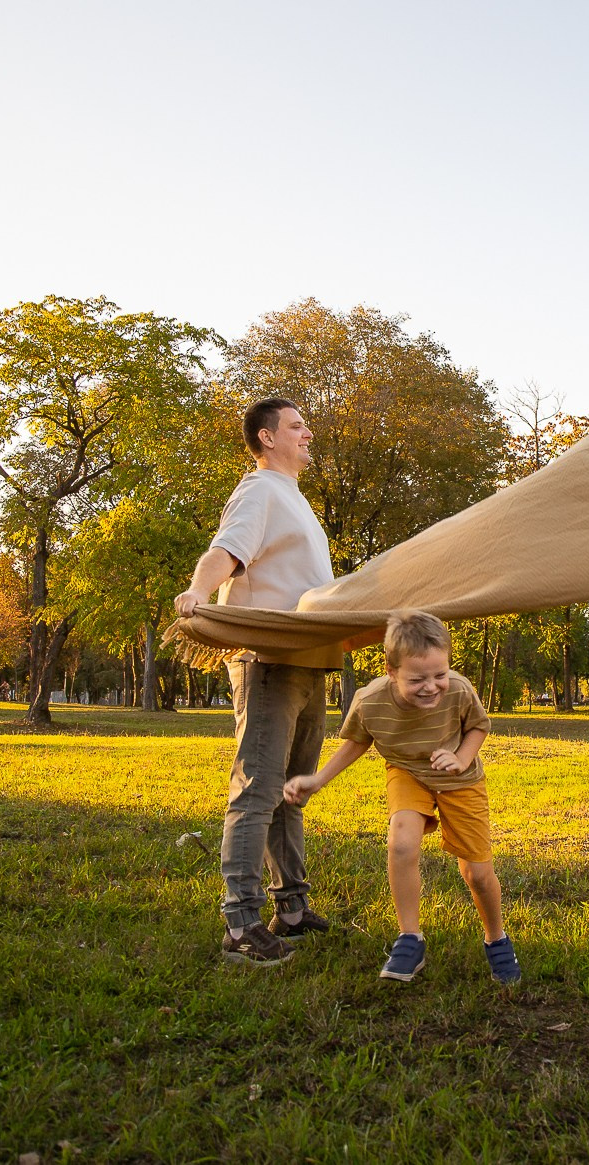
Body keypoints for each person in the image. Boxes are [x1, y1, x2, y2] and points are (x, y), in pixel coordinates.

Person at [174, 397, 342, 968]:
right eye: (297, 426)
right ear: (267, 438)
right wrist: (199, 591)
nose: (307, 433)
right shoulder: (260, 490)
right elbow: (228, 549)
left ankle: (290, 908)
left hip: (307, 659)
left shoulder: (294, 498)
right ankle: (241, 923)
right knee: (258, 791)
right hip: (267, 659)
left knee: (292, 789)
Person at [284, 611, 521, 985]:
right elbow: (357, 742)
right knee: (402, 842)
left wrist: (461, 758)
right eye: (417, 679)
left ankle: (496, 938)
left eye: (439, 674)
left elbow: (478, 726)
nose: (431, 687)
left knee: (477, 873)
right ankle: (410, 938)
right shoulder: (370, 701)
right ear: (391, 671)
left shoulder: (459, 689)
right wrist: (318, 780)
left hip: (459, 779)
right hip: (408, 772)